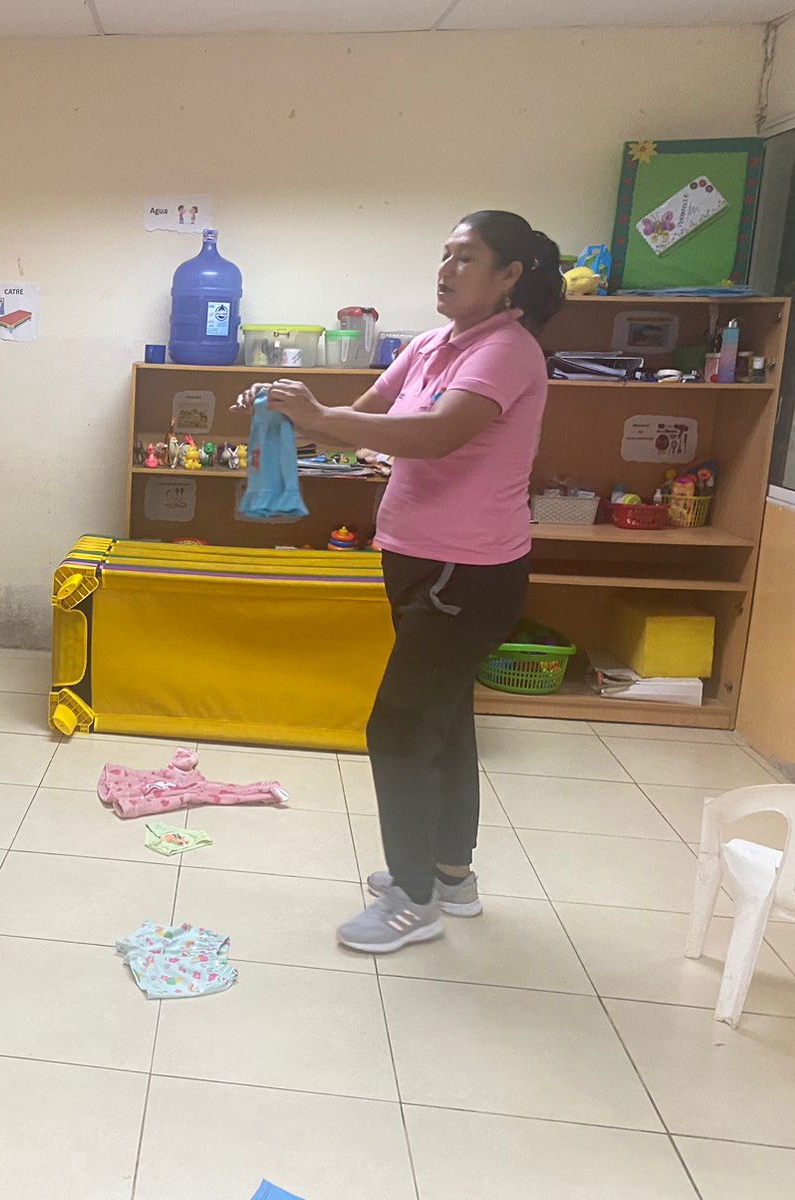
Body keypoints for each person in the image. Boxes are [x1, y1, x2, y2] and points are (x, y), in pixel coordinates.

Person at [235, 210, 563, 954]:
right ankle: (451, 876)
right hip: (417, 559)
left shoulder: (507, 351)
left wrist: (321, 415)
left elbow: (435, 435)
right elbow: (358, 419)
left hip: (467, 572)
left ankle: (413, 898)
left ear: (509, 275)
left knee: (400, 727)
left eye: (466, 258)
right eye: (444, 255)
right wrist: (283, 410)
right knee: (443, 720)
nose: (446, 271)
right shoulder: (429, 346)